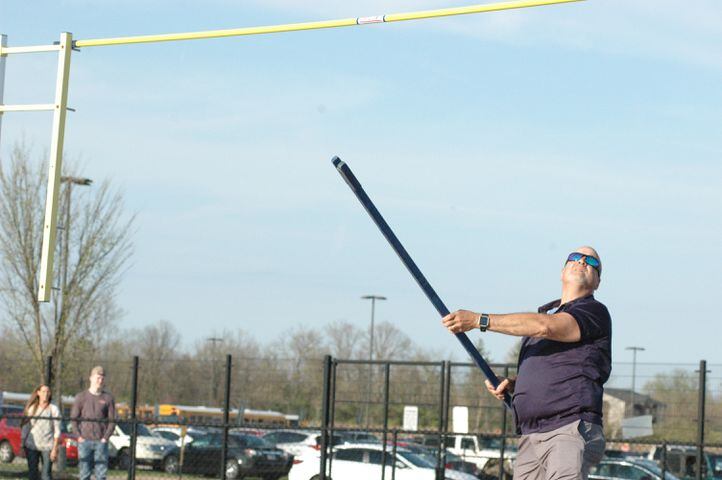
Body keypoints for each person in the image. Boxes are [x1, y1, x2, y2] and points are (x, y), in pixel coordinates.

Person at [442, 246, 611, 480]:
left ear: (598, 282)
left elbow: (547, 326)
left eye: (591, 262)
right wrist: (514, 385)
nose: (582, 261)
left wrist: (478, 320)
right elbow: (554, 368)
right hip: (530, 435)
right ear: (562, 271)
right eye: (575, 257)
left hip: (569, 428)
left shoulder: (593, 311)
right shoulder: (543, 321)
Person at [71, 366, 116, 480]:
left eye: (102, 378)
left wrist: (105, 438)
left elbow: (112, 421)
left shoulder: (108, 398)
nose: (100, 381)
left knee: (101, 475)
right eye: (98, 378)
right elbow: (74, 419)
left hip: (101, 441)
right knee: (84, 474)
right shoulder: (81, 397)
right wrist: (79, 437)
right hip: (84, 441)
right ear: (91, 378)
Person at [21, 384, 61, 480]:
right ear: (38, 393)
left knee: (46, 474)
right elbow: (25, 428)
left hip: (47, 446)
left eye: (48, 392)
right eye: (43, 391)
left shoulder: (53, 409)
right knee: (32, 473)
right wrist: (22, 444)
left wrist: (55, 449)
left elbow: (57, 430)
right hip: (31, 445)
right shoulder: (31, 409)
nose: (46, 394)